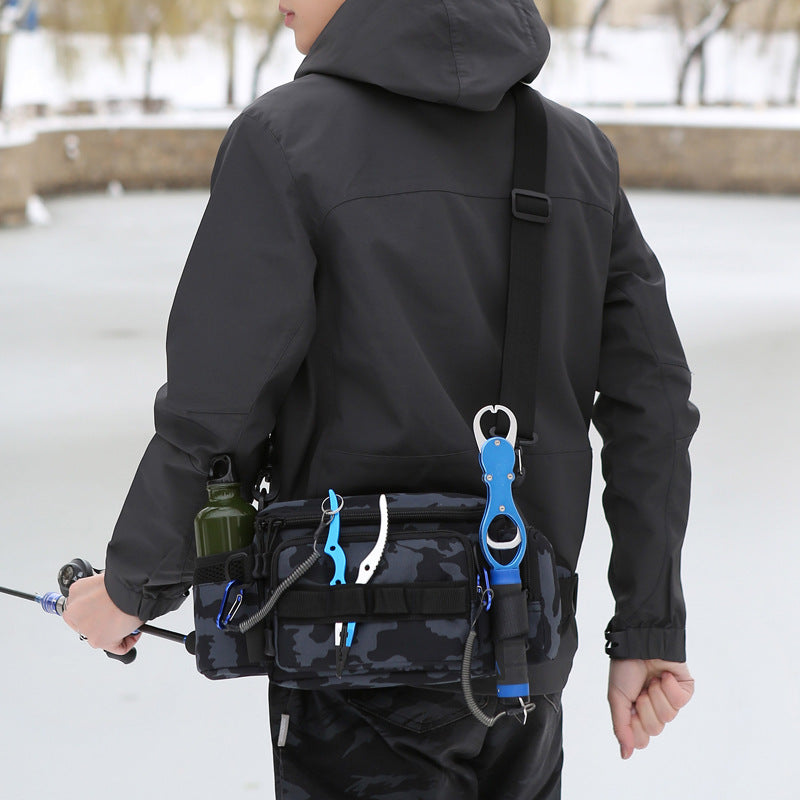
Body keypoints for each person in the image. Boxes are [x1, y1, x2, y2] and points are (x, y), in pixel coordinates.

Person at [63, 0, 699, 797]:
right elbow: (655, 402)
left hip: (350, 667)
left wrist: (129, 589)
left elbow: (217, 410)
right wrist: (648, 624)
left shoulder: (285, 139)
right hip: (521, 660)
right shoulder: (573, 154)